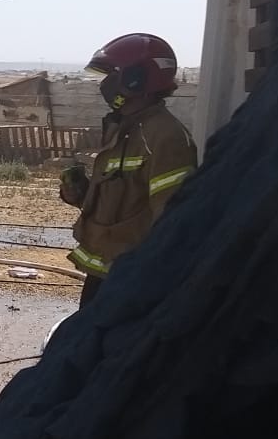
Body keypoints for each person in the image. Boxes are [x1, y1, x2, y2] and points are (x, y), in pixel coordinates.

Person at [61, 33, 197, 307]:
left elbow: (170, 219)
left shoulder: (165, 138)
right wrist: (81, 194)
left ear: (136, 79)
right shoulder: (125, 130)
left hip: (131, 284)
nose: (106, 84)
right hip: (104, 275)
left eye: (113, 74)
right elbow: (124, 201)